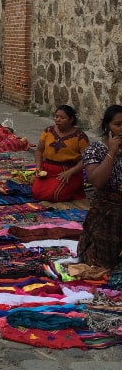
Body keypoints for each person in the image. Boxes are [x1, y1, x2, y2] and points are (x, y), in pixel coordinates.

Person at [77, 104, 122, 269]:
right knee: (103, 262)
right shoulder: (95, 149)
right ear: (107, 126)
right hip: (106, 213)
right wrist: (112, 152)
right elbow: (97, 181)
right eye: (118, 125)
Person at [31, 105, 89, 202]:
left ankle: (75, 189)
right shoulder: (48, 131)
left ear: (71, 120)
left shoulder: (80, 136)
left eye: (62, 118)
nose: (58, 120)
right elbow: (39, 150)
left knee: (54, 195)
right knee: (36, 192)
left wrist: (70, 172)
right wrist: (39, 167)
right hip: (47, 170)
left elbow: (87, 158)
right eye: (56, 116)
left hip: (68, 172)